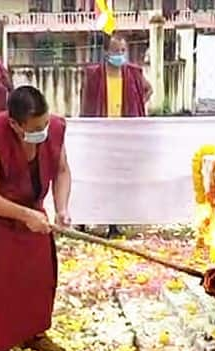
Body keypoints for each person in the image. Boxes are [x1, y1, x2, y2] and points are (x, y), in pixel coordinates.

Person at [0, 86, 72, 351]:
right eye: (36, 128)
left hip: (30, 203)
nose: (43, 132)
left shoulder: (54, 129)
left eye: (45, 124)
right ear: (14, 124)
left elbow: (61, 170)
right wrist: (25, 215)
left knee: (37, 271)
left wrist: (61, 208)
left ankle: (33, 332)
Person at [80, 34, 152, 238]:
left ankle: (113, 224)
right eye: (115, 50)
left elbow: (148, 90)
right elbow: (85, 102)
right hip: (100, 135)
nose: (119, 55)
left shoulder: (134, 73)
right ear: (106, 52)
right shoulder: (94, 74)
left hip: (123, 137)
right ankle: (84, 220)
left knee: (118, 180)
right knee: (95, 179)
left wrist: (136, 105)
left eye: (123, 51)